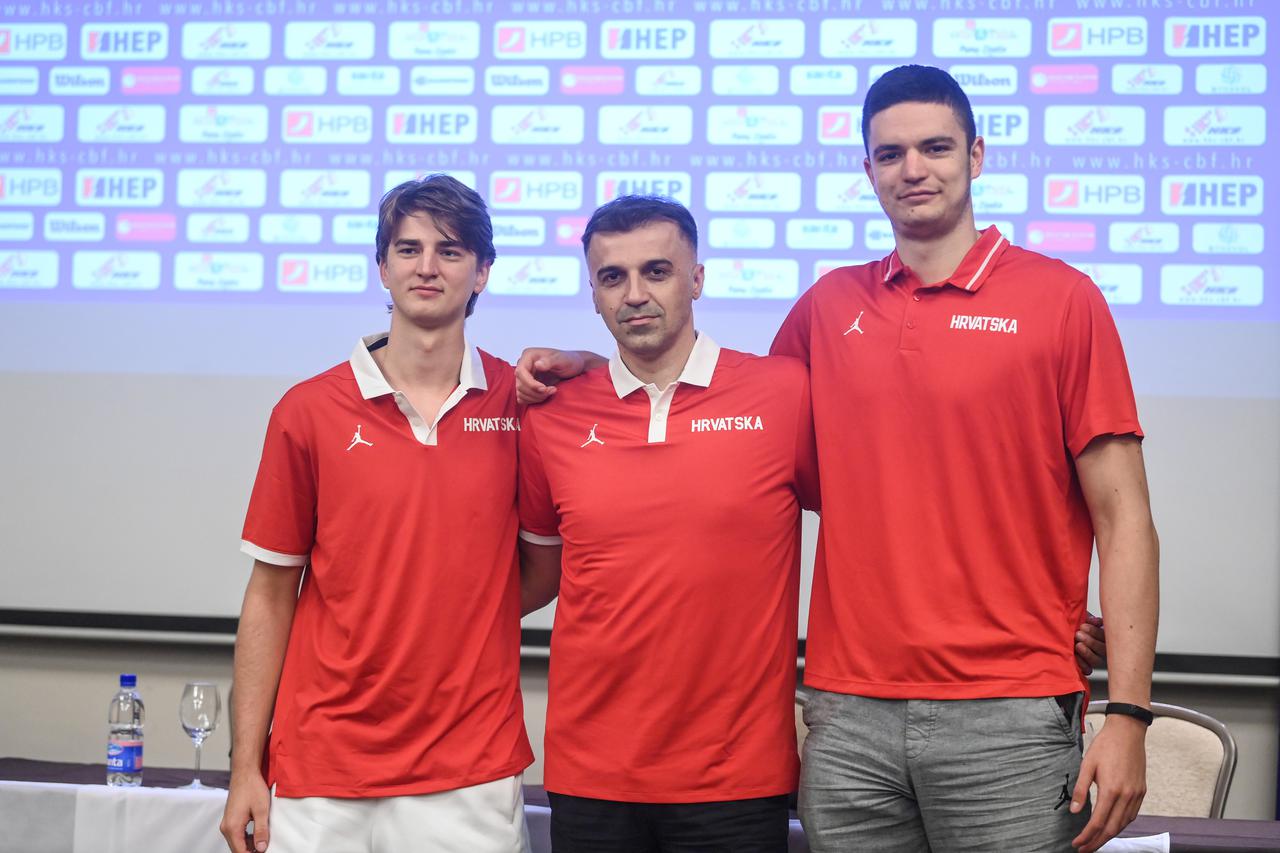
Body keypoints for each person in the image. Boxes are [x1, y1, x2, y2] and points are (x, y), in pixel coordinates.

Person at [518, 64, 1145, 853]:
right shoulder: (826, 309)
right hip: (849, 717)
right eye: (890, 153)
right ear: (867, 169)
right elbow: (713, 419)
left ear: (977, 155)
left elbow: (1125, 517)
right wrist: (596, 371)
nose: (912, 169)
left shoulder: (1064, 297)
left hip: (1008, 709)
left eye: (935, 147)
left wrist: (1130, 708)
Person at [220, 175, 533, 853]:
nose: (427, 267)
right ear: (382, 267)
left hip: (469, 769)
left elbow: (541, 570)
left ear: (482, 272)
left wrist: (454, 605)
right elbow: (270, 595)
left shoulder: (520, 404)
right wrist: (245, 767)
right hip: (322, 766)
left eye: (450, 251)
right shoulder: (307, 410)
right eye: (409, 249)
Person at [517, 195, 821, 851]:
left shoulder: (785, 393)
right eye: (613, 277)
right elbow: (534, 574)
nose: (635, 294)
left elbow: (874, 522)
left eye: (656, 271)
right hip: (591, 773)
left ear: (697, 279)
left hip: (737, 777)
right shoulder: (551, 414)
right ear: (594, 294)